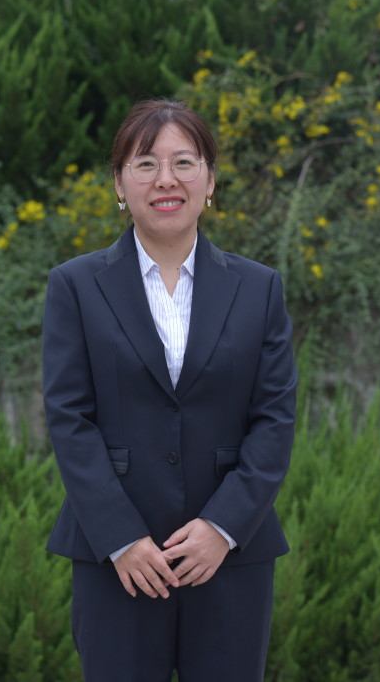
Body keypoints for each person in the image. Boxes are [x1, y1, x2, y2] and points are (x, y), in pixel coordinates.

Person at [42, 98, 299, 681]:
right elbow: (69, 419)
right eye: (145, 164)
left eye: (184, 162)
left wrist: (222, 528)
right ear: (119, 183)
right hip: (118, 561)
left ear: (210, 180)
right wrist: (122, 538)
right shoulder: (75, 286)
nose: (166, 180)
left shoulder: (259, 288)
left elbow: (275, 417)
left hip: (230, 557)